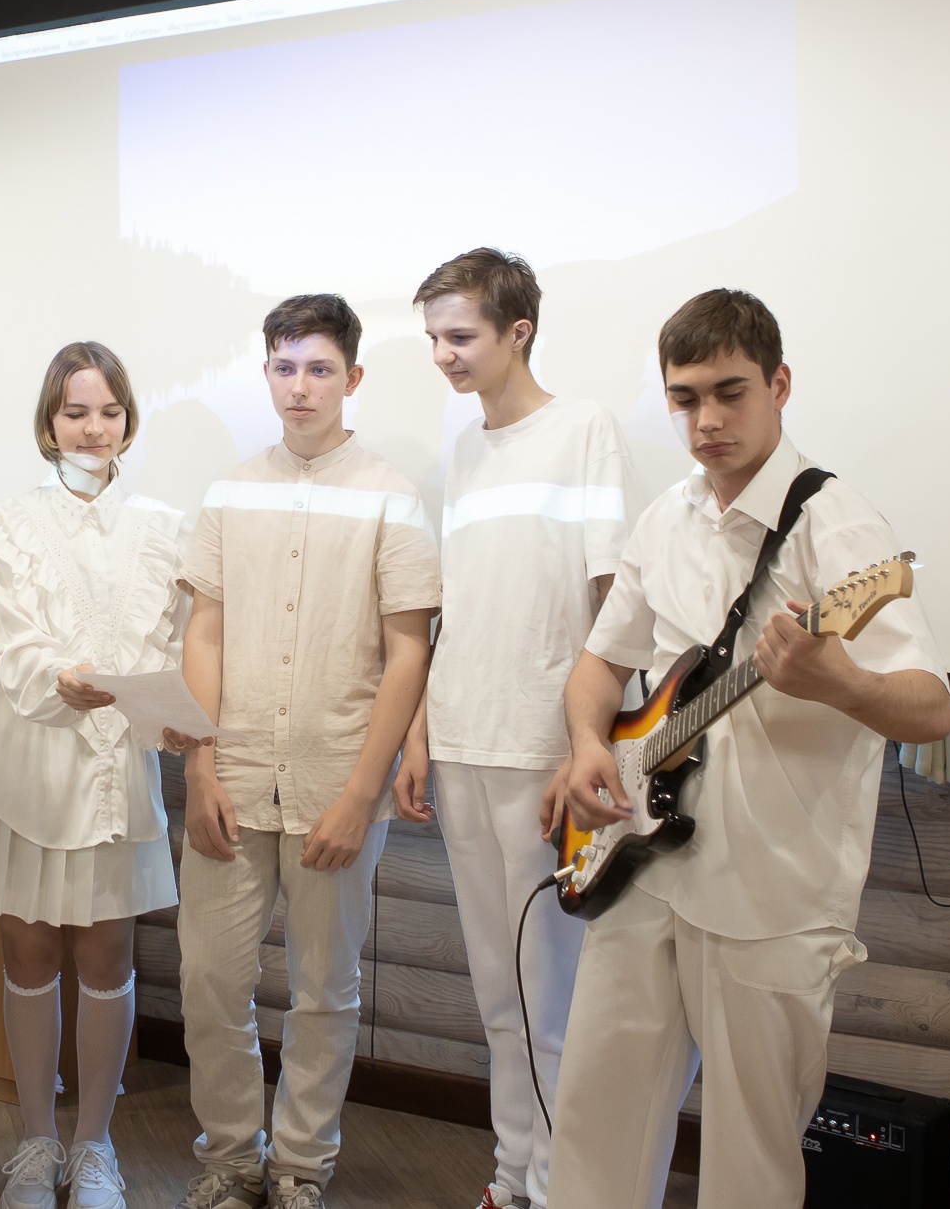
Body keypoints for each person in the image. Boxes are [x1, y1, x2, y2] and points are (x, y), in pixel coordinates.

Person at [540, 290, 950, 1209]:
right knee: (595, 1131)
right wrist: (587, 744)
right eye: (685, 399)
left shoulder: (839, 525)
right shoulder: (665, 518)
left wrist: (838, 682)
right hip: (643, 867)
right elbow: (601, 664)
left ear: (780, 385)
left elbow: (931, 709)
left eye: (730, 392)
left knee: (750, 1166)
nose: (708, 421)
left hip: (772, 896)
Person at [173, 294, 440, 1209]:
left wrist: (363, 794)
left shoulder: (390, 494)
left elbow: (409, 650)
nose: (301, 386)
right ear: (266, 373)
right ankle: (230, 1158)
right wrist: (199, 766)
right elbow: (203, 633)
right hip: (233, 774)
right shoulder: (229, 489)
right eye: (285, 367)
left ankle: (299, 1167)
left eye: (320, 368)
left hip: (336, 779)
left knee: (325, 988)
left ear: (352, 377)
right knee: (211, 980)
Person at [392, 250, 630, 1209]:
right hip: (461, 742)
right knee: (498, 993)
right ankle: (510, 1177)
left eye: (461, 336)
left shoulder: (584, 430)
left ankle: (556, 1186)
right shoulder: (464, 451)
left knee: (549, 995)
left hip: (544, 751)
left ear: (517, 330)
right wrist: (418, 732)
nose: (444, 356)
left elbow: (614, 600)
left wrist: (589, 741)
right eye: (434, 339)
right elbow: (455, 610)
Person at [0, 341, 185, 1209]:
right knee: (27, 950)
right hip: (30, 759)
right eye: (76, 411)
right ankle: (34, 1141)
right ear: (49, 422)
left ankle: (94, 1145)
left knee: (107, 951)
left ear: (128, 419)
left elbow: (169, 646)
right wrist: (63, 679)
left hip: (116, 761)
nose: (94, 428)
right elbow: (14, 644)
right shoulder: (3, 523)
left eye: (109, 411)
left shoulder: (165, 526)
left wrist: (159, 697)